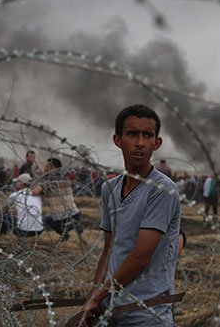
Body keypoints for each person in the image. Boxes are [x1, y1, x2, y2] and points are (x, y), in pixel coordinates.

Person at [81, 104, 181, 326]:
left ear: (157, 143)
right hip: (112, 310)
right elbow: (108, 250)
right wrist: (93, 299)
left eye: (148, 135)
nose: (140, 142)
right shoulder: (110, 189)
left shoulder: (162, 189)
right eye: (132, 134)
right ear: (118, 140)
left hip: (147, 312)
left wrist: (98, 296)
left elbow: (140, 257)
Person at [33, 158, 83, 240]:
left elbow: (34, 192)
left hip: (62, 219)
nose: (44, 168)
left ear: (53, 168)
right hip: (76, 215)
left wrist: (41, 183)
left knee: (48, 218)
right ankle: (76, 226)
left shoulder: (50, 180)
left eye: (47, 166)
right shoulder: (65, 178)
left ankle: (63, 234)